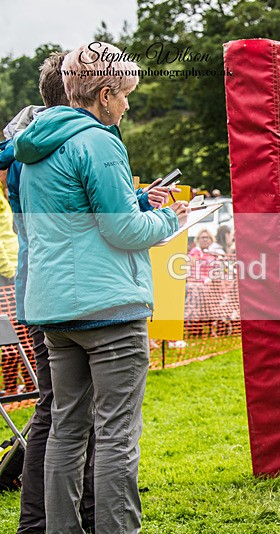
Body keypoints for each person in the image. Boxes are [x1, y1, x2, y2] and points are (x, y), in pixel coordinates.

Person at [13, 42, 188, 533]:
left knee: (67, 431)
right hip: (109, 307)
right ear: (104, 93)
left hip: (53, 308)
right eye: (126, 94)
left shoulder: (33, 149)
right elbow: (124, 230)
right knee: (116, 435)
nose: (128, 105)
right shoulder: (99, 141)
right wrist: (171, 218)